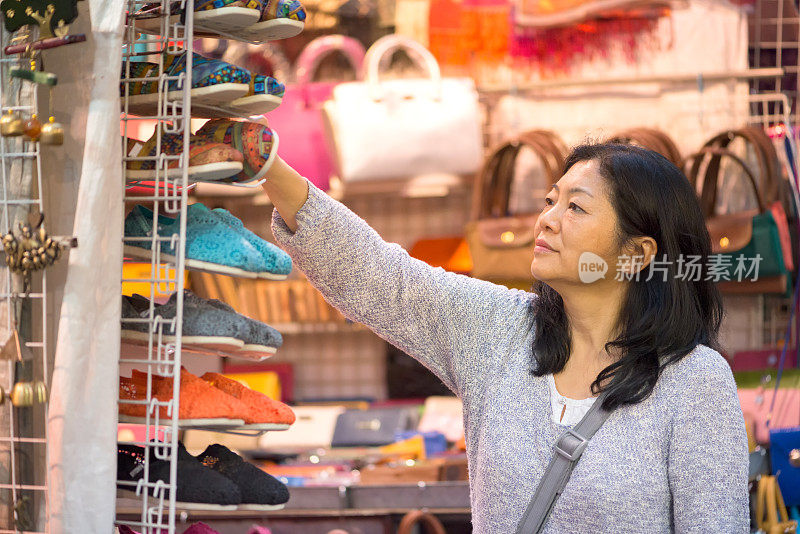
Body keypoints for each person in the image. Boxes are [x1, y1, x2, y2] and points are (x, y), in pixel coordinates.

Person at [262, 143, 749, 533]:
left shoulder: (693, 382)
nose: (548, 219)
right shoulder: (499, 332)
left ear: (638, 252)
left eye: (577, 207)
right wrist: (268, 164)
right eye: (551, 200)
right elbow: (379, 277)